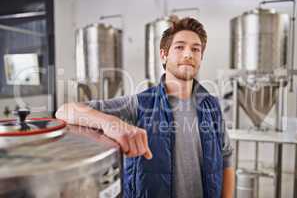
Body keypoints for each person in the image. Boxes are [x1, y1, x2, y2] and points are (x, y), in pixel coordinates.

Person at [56, 17, 234, 198]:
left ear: (201, 57)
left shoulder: (211, 106)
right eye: (180, 47)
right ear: (164, 55)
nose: (188, 54)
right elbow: (64, 111)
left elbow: (226, 158)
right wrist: (111, 123)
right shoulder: (140, 105)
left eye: (195, 49)